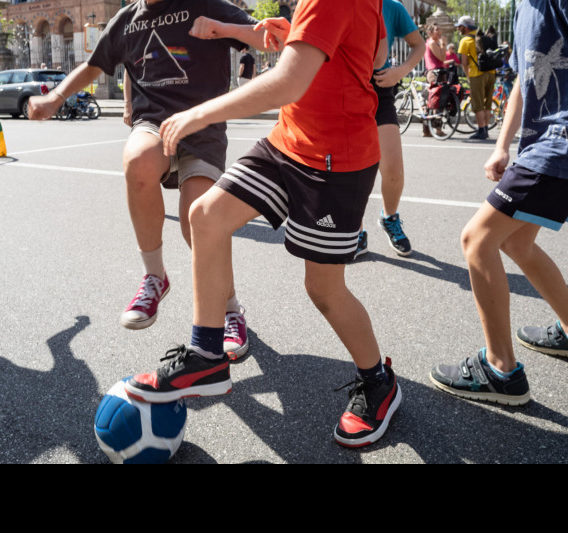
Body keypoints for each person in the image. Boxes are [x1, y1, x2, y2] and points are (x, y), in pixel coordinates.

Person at [124, 1, 401, 449]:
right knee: (205, 216)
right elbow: (354, 52)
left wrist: (200, 112)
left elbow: (289, 81)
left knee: (324, 290)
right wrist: (284, 34)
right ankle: (207, 354)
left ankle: (379, 381)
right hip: (288, 142)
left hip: (336, 160)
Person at [28, 0, 267, 358]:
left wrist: (225, 29)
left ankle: (231, 309)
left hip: (202, 125)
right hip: (153, 122)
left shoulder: (205, 5)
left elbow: (267, 39)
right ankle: (155, 277)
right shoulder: (127, 21)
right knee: (137, 160)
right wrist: (57, 98)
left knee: (198, 220)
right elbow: (94, 66)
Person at [430, 0, 568, 405]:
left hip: (564, 145)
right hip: (544, 147)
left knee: (476, 241)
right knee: (516, 242)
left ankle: (499, 369)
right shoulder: (525, 8)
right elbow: (526, 78)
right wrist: (503, 146)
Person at [366, 0, 425, 258]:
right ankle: (354, 232)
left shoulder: (391, 6)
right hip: (345, 89)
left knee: (392, 170)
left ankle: (389, 218)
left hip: (380, 87)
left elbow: (419, 45)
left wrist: (399, 72)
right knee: (353, 171)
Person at [457, 15, 497, 140]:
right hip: (491, 73)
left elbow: (464, 63)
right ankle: (485, 129)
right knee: (487, 103)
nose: (458, 29)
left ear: (465, 27)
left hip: (477, 74)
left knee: (478, 104)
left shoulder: (465, 41)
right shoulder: (482, 37)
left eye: (459, 26)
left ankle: (481, 130)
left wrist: (468, 77)